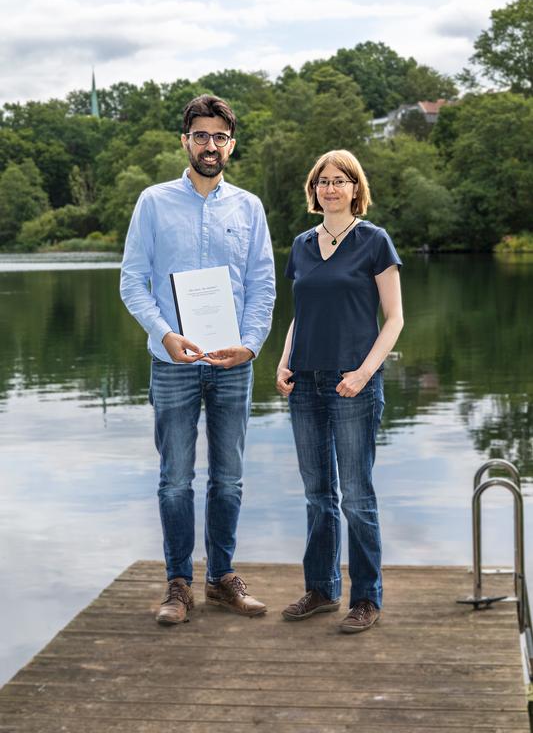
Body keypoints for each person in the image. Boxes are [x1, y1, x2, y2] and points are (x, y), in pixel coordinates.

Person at [120, 94, 275, 624]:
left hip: (233, 365)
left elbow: (262, 287)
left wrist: (251, 344)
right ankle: (178, 585)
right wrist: (164, 335)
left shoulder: (249, 207)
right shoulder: (153, 202)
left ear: (232, 145)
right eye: (201, 136)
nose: (211, 146)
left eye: (220, 137)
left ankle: (222, 579)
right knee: (175, 479)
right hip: (174, 364)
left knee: (229, 478)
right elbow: (131, 283)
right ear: (185, 141)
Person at [276, 149, 403, 633]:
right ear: (314, 191)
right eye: (322, 181)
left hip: (355, 382)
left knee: (357, 496)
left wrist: (365, 373)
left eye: (340, 181)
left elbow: (394, 320)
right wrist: (285, 361)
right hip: (304, 382)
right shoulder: (302, 244)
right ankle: (323, 590)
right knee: (317, 494)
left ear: (356, 189)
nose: (330, 188)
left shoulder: (374, 241)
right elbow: (300, 314)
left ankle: (366, 598)